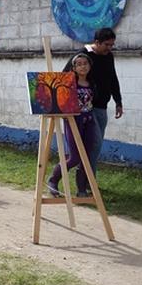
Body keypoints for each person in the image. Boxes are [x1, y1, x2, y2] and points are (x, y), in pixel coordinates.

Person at [64, 27, 123, 176]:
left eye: (112, 45)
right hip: (85, 109)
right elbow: (65, 78)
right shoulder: (81, 56)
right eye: (107, 45)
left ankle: (88, 179)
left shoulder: (109, 56)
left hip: (102, 107)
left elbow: (112, 78)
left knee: (96, 146)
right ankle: (84, 179)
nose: (109, 48)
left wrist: (118, 101)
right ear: (97, 42)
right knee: (90, 144)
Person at [47, 53, 96, 197]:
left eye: (85, 63)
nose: (83, 66)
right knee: (74, 157)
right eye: (79, 64)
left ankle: (81, 189)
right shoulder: (69, 83)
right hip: (73, 120)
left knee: (86, 156)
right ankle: (53, 180)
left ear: (90, 66)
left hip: (89, 120)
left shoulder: (92, 83)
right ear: (73, 68)